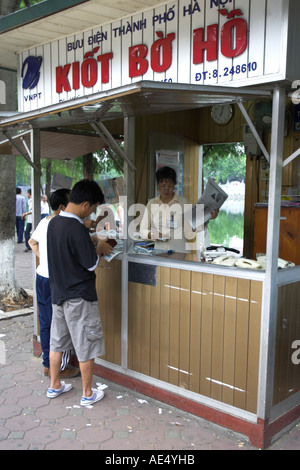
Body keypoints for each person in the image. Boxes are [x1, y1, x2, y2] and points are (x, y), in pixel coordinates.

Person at [46, 179, 113, 406]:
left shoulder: (54, 223)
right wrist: (100, 247)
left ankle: (54, 385)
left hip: (58, 294)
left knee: (57, 342)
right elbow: (91, 264)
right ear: (86, 204)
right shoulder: (76, 228)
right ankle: (87, 393)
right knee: (85, 345)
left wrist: (90, 239)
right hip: (80, 298)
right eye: (93, 209)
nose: (92, 213)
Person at [29, 189, 79, 379]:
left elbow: (32, 242)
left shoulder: (44, 221)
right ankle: (58, 368)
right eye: (71, 202)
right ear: (61, 207)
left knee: (46, 321)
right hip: (56, 281)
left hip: (41, 277)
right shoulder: (64, 224)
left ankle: (48, 364)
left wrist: (44, 260)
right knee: (60, 323)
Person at [139, 166, 219, 254]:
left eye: (170, 186)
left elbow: (193, 229)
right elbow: (142, 231)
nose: (166, 189)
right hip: (159, 254)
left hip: (180, 254)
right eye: (163, 185)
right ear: (158, 185)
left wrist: (207, 217)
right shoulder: (152, 203)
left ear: (174, 185)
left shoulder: (183, 202)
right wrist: (154, 235)